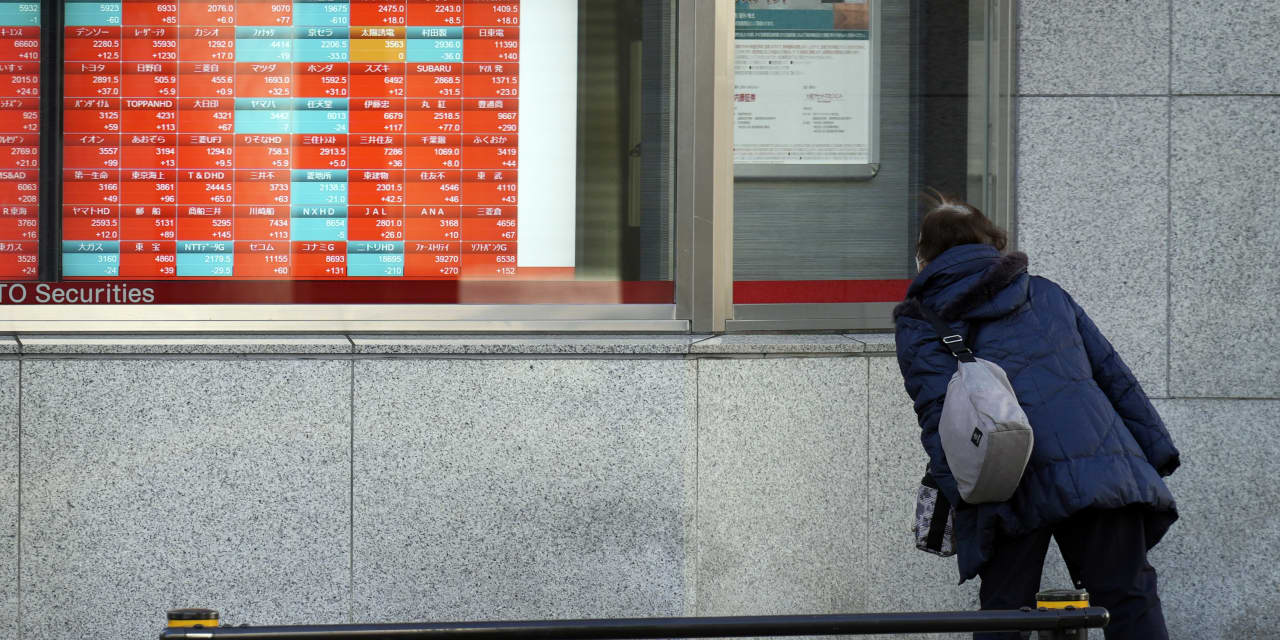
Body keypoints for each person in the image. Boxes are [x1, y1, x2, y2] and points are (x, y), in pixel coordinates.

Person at [893, 194, 1180, 640]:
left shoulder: (921, 322)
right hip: (1096, 461)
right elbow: (1113, 375)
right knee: (1129, 597)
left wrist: (964, 496)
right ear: (991, 241)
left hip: (1007, 475)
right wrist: (1155, 451)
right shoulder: (1045, 293)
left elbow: (939, 417)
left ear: (924, 256)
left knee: (1005, 613)